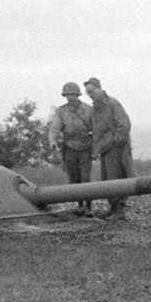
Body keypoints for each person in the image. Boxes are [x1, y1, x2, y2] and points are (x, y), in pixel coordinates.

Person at [85, 76, 134, 221]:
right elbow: (96, 131)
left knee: (117, 178)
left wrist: (116, 141)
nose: (91, 95)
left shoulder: (113, 103)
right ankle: (113, 208)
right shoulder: (95, 109)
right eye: (88, 93)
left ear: (99, 89)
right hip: (105, 149)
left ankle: (120, 211)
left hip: (117, 149)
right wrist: (96, 149)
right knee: (108, 180)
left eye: (92, 91)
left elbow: (124, 124)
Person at [48, 81, 94, 215]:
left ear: (77, 95)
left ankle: (89, 207)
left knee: (86, 179)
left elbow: (96, 129)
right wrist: (52, 141)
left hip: (86, 148)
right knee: (74, 179)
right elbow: (55, 128)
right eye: (67, 95)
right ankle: (80, 206)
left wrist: (96, 148)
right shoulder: (61, 111)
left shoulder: (88, 110)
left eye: (72, 94)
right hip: (69, 148)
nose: (70, 97)